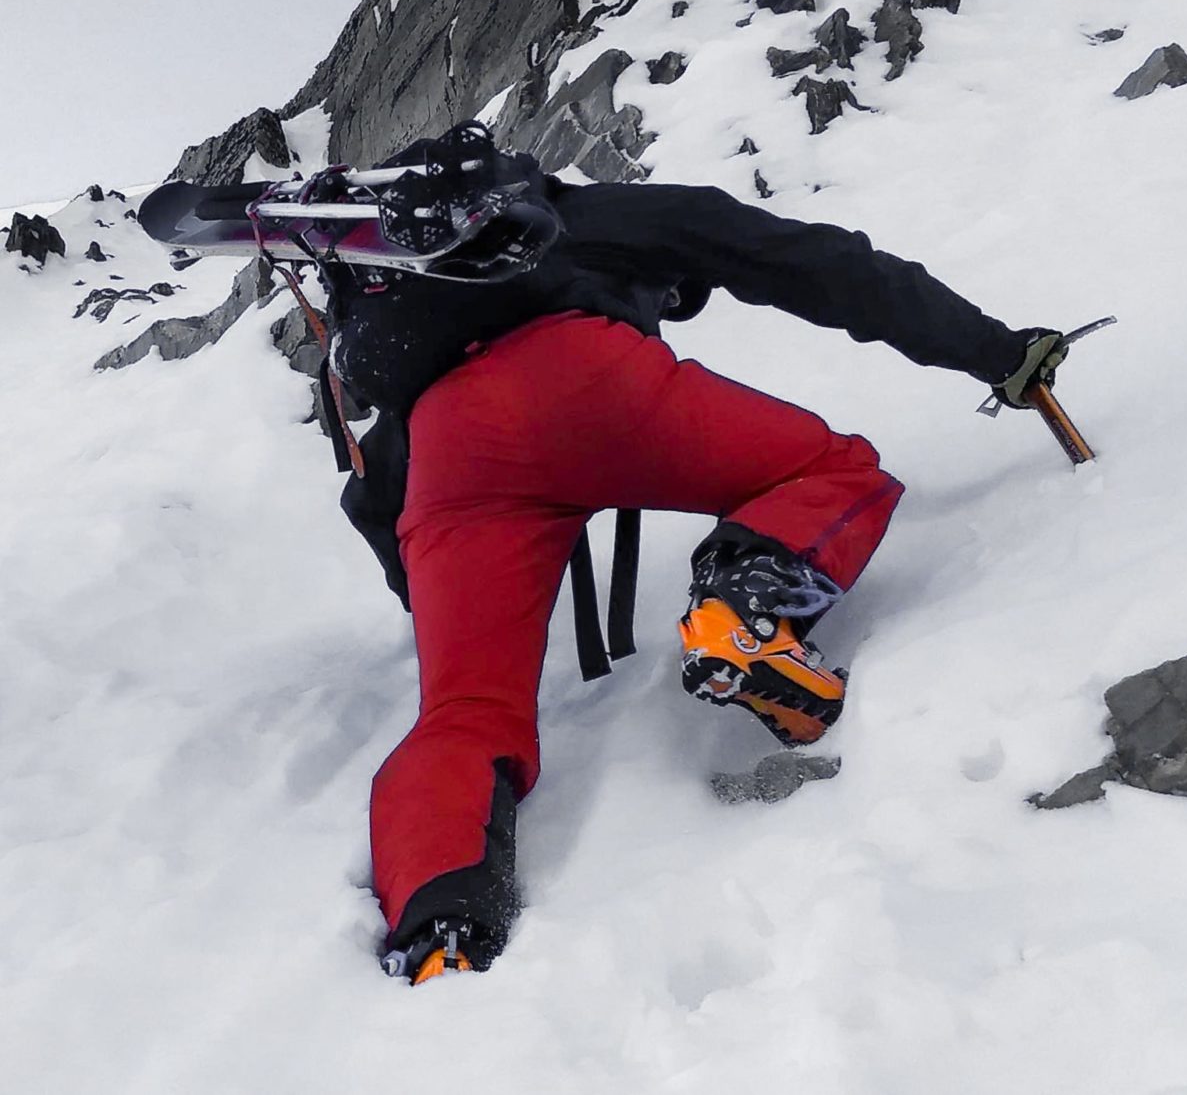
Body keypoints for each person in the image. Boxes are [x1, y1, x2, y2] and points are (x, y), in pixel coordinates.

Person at [323, 128, 1068, 985]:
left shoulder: (415, 303)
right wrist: (996, 353)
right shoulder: (593, 216)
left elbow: (375, 497)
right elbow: (816, 263)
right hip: (588, 381)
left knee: (463, 711)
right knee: (829, 470)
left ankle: (437, 926)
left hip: (449, 458)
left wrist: (437, 599)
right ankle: (743, 606)